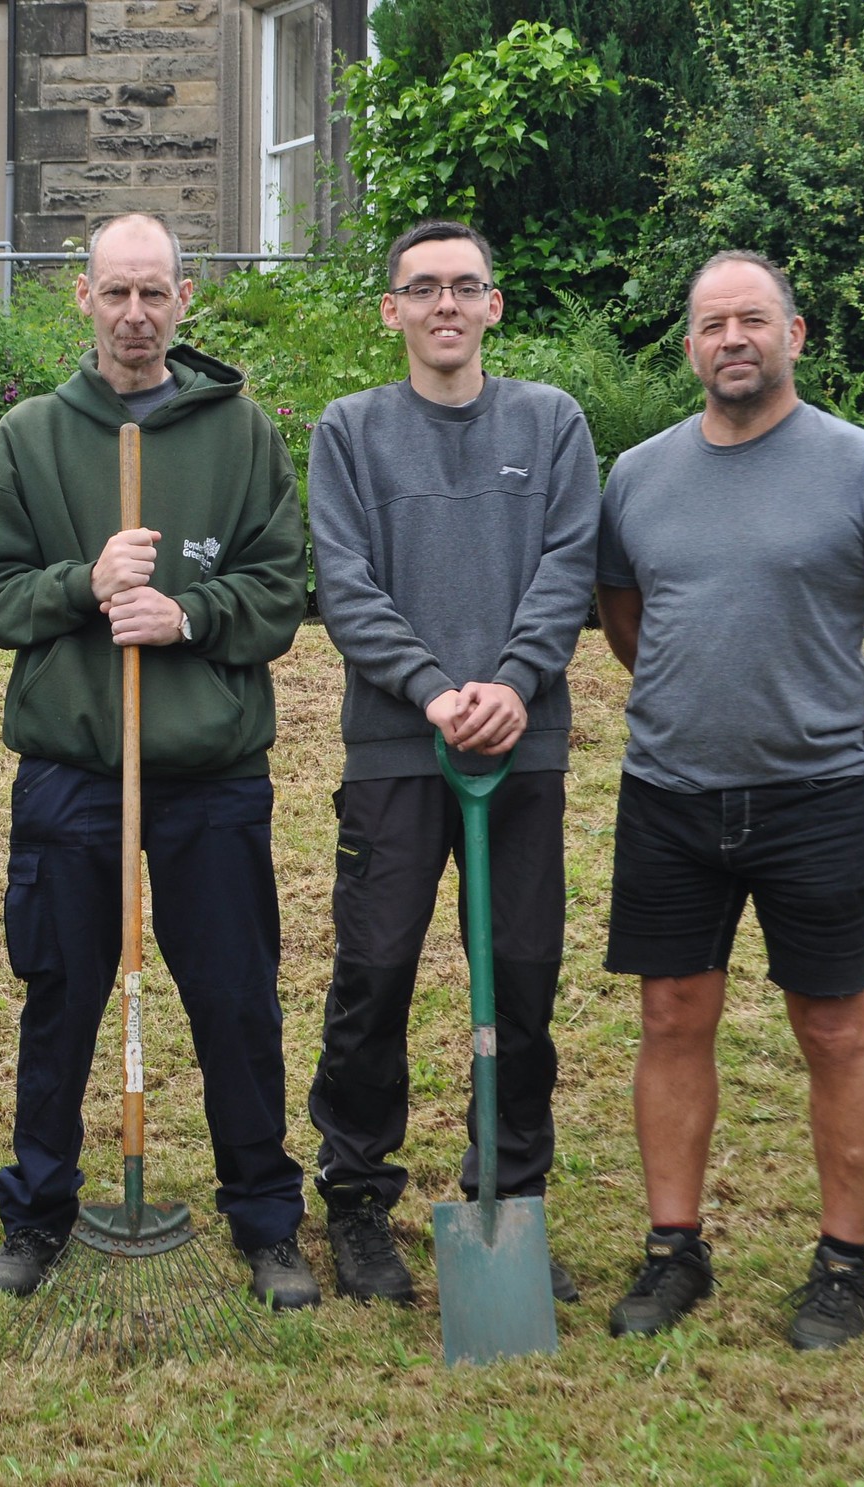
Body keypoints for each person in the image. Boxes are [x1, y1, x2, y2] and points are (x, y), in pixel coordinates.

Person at [595, 249, 864, 1350]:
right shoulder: (639, 474)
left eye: (752, 320)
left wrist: (839, 718)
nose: (730, 339)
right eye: (710, 324)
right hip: (666, 794)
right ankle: (673, 1250)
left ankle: (841, 1264)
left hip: (812, 797)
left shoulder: (862, 469)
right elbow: (623, 614)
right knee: (669, 1017)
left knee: (834, 1025)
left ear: (793, 335)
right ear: (691, 345)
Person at [0, 212, 318, 1309]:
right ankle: (38, 1211)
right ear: (81, 299)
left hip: (207, 769)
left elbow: (279, 590)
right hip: (73, 767)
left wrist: (184, 615)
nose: (133, 315)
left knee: (235, 997)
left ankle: (264, 1218)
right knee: (59, 993)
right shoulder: (30, 434)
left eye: (153, 293)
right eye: (114, 293)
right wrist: (84, 582)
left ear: (184, 299)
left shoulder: (239, 432)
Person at [304, 219, 600, 1306]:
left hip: (520, 749)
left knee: (518, 976)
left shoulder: (550, 423)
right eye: (419, 288)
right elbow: (343, 580)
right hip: (394, 745)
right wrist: (431, 687)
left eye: (462, 287)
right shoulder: (348, 431)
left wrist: (513, 684)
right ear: (390, 310)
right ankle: (355, 1198)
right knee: (372, 971)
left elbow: (568, 563)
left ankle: (507, 1198)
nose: (442, 305)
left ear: (492, 305)